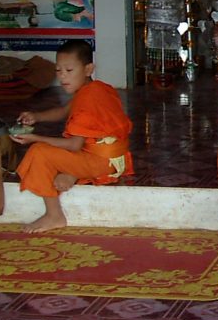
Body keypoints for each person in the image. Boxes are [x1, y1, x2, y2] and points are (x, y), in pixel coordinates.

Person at [11, 39, 133, 233]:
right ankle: (73, 173)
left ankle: (54, 215)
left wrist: (36, 138)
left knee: (39, 152)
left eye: (69, 71)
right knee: (55, 155)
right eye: (58, 70)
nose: (62, 77)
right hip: (112, 158)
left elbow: (75, 145)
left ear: (88, 69)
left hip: (103, 162)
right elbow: (63, 111)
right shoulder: (95, 88)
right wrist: (36, 117)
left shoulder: (89, 97)